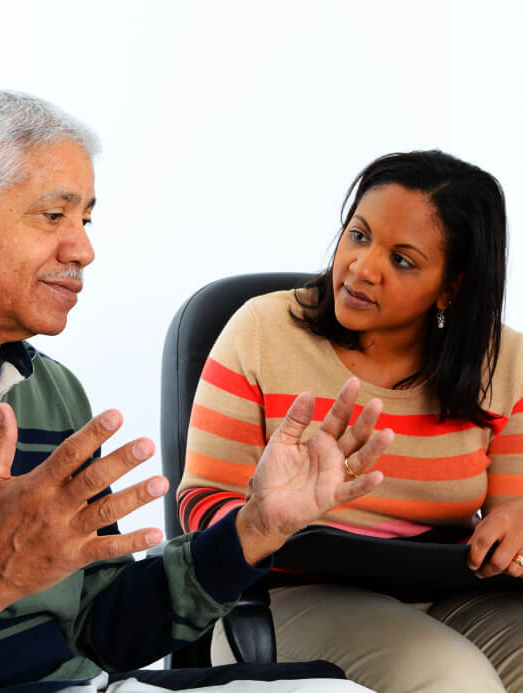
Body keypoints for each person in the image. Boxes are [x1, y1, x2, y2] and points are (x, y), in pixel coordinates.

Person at [0, 90, 392, 693]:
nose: (84, 250)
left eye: (86, 219)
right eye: (54, 216)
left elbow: (105, 631)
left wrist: (253, 529)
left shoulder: (52, 390)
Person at [178, 150, 523, 692]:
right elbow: (199, 504)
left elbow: (511, 520)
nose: (362, 268)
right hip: (283, 596)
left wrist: (516, 529)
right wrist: (271, 516)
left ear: (451, 286)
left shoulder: (503, 363)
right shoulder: (261, 332)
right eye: (359, 236)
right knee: (455, 679)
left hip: (450, 597)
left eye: (402, 260)